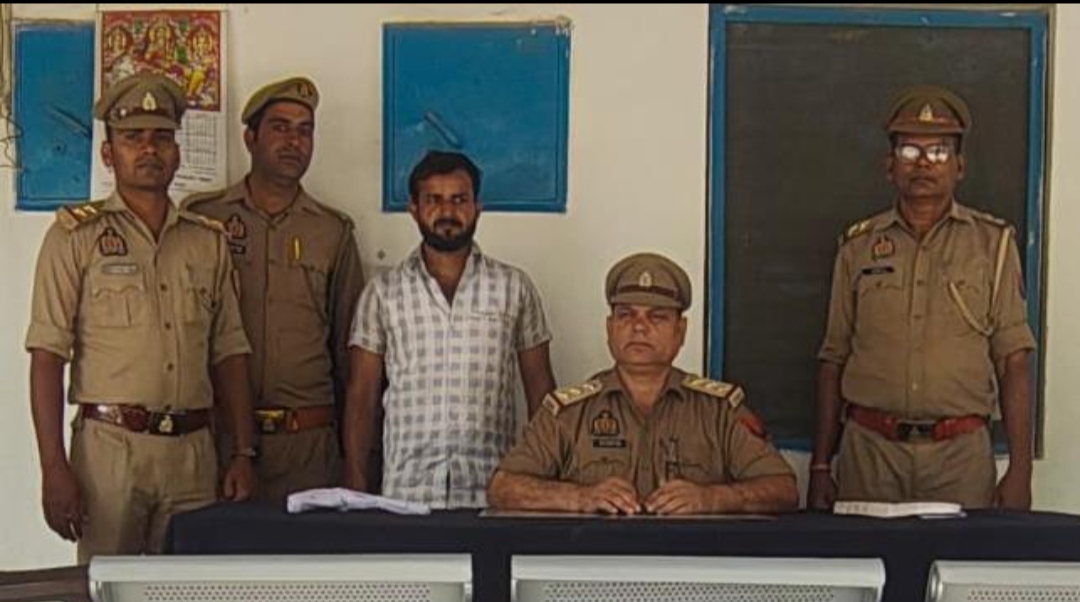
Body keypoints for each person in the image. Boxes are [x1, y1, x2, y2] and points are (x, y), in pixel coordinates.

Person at [25, 73, 256, 561]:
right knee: (108, 588)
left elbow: (229, 351)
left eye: (161, 137)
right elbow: (47, 356)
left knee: (191, 590)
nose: (149, 149)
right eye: (133, 137)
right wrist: (53, 466)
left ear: (177, 152)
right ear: (109, 154)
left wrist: (242, 452)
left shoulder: (207, 241)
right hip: (111, 454)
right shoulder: (74, 238)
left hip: (193, 455)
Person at [808, 85, 1036, 510]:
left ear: (960, 166)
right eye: (910, 151)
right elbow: (833, 357)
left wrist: (1021, 470)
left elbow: (1013, 361)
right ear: (889, 165)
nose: (924, 163)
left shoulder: (994, 245)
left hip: (960, 458)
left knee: (962, 555)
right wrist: (821, 465)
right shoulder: (858, 247)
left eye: (939, 151)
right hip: (870, 454)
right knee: (866, 554)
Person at [487, 253, 797, 515]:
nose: (639, 327)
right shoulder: (568, 413)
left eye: (657, 317)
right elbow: (503, 488)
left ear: (681, 331)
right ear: (610, 328)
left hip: (692, 565)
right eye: (626, 315)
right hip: (596, 565)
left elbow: (783, 489)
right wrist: (580, 497)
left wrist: (713, 498)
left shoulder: (719, 411)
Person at [182, 77, 365, 504]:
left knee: (307, 551)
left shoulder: (332, 231)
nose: (293, 142)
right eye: (280, 127)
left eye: (305, 130)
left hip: (307, 446)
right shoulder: (203, 219)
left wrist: (358, 457)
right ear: (250, 138)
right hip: (220, 440)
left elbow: (349, 351)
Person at [344, 150, 556, 507]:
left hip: (491, 491)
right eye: (434, 200)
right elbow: (361, 394)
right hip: (407, 493)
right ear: (414, 209)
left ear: (477, 207)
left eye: (459, 199)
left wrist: (544, 479)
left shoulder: (514, 287)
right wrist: (355, 477)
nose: (447, 211)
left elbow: (541, 390)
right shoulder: (382, 293)